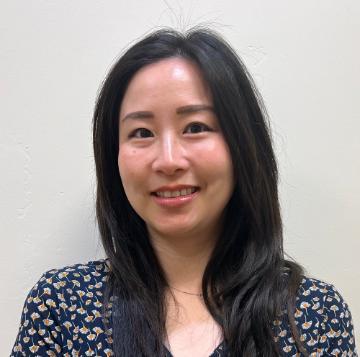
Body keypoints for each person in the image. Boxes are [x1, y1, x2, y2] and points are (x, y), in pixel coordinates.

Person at [11, 27, 357, 357]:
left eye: (195, 127)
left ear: (242, 147)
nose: (168, 160)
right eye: (142, 132)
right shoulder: (62, 306)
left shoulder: (313, 315)